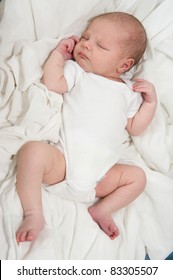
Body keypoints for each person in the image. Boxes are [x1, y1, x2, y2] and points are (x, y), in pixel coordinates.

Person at [15, 12, 157, 243]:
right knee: (33, 152)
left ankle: (104, 209)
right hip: (63, 165)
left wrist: (150, 103)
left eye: (100, 45)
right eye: (86, 37)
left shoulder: (129, 92)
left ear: (124, 64)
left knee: (137, 178)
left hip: (101, 179)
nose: (86, 45)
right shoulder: (79, 72)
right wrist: (59, 55)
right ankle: (33, 213)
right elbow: (53, 83)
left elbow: (135, 127)